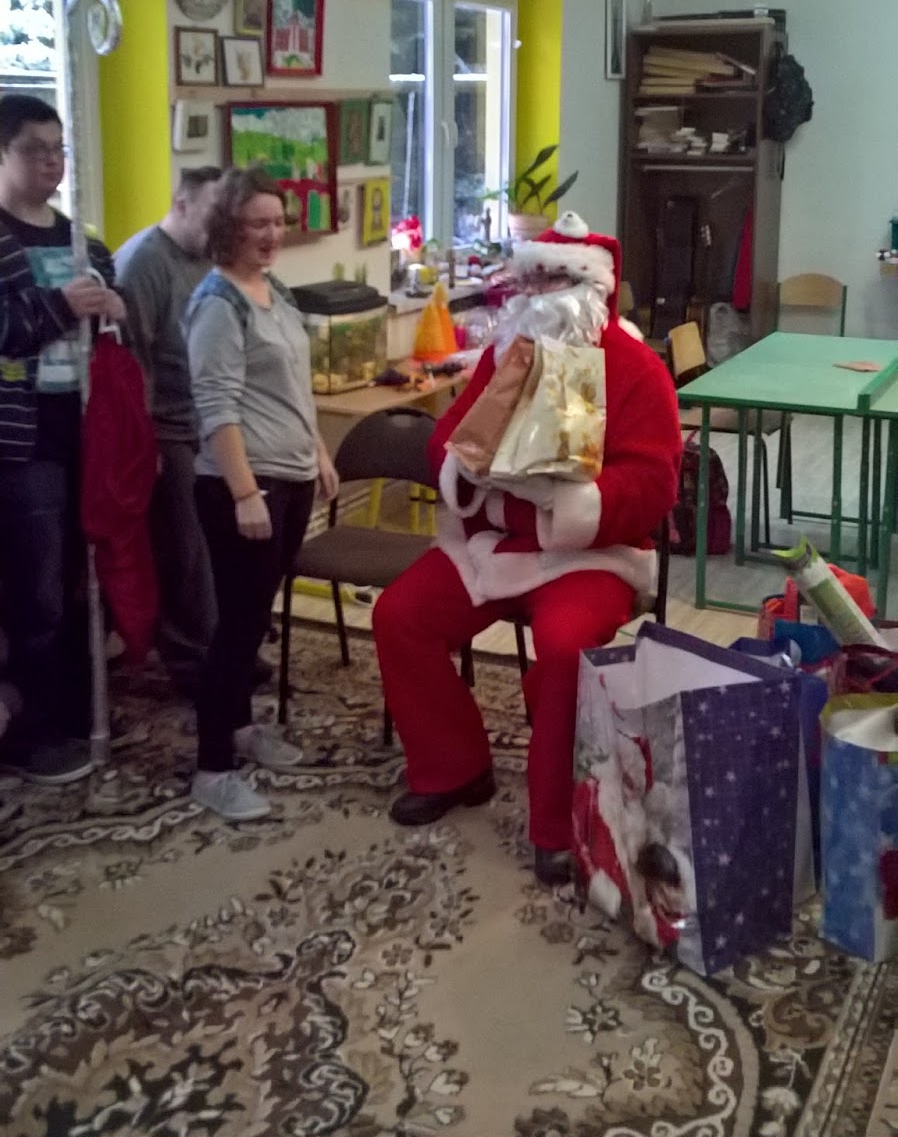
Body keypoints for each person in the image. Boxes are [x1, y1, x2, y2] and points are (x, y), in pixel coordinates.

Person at [373, 210, 682, 886]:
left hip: (591, 554)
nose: (537, 295)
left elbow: (654, 483)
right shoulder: (503, 356)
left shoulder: (636, 368)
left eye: (554, 281)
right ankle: (455, 767)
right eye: (530, 280)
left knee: (566, 647)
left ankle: (556, 823)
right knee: (399, 615)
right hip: (496, 543)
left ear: (591, 289)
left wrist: (569, 497)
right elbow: (447, 440)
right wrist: (469, 464)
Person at [183, 166, 340, 822]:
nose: (272, 234)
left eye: (278, 222)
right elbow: (216, 406)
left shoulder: (273, 289)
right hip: (244, 486)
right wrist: (245, 492)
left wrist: (320, 452)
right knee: (238, 626)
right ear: (229, 227)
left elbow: (293, 386)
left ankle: (243, 729)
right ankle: (213, 767)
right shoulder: (218, 304)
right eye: (258, 224)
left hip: (291, 475)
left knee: (255, 620)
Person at [0, 93, 124, 783]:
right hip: (25, 443)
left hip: (87, 431)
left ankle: (81, 704)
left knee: (85, 577)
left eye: (59, 150)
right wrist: (58, 306)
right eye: (35, 150)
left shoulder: (84, 241)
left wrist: (113, 309)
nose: (51, 163)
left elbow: (111, 325)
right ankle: (31, 727)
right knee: (37, 589)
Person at [115, 167, 222, 696]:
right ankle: (191, 665)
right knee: (185, 552)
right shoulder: (144, 263)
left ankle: (222, 647)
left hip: (209, 423)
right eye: (213, 213)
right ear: (181, 204)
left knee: (218, 546)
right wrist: (145, 444)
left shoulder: (207, 258)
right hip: (164, 428)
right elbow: (133, 360)